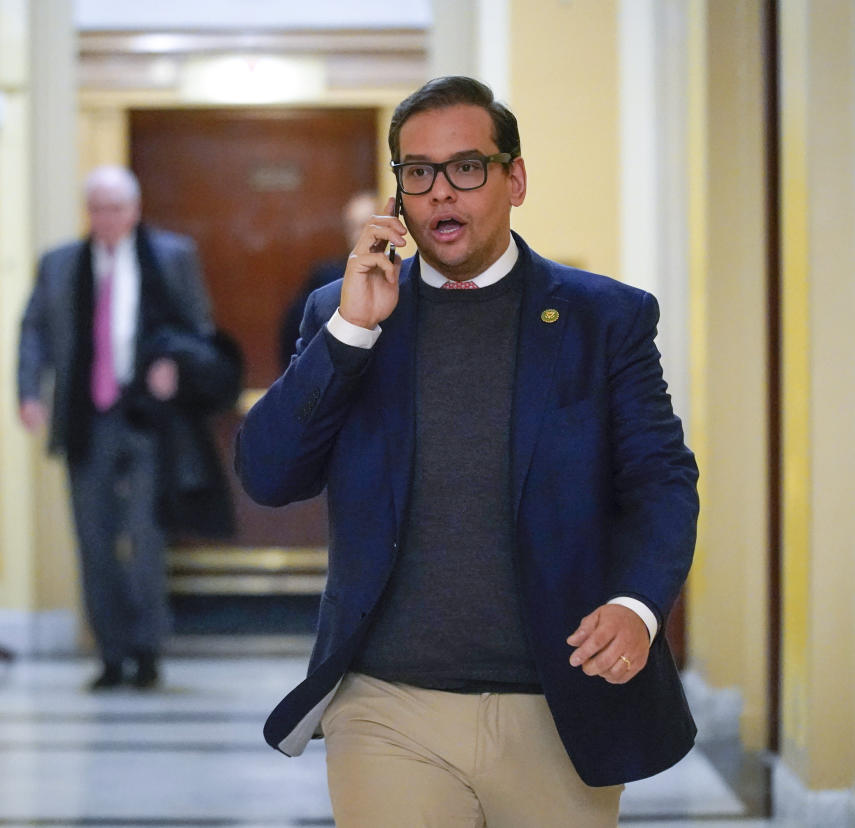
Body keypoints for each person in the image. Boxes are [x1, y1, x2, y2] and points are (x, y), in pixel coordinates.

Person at [235, 76, 699, 824]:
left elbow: (661, 482)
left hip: (558, 705)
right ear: (398, 197)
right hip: (387, 703)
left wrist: (638, 604)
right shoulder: (344, 311)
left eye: (466, 168)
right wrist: (351, 334)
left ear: (514, 179)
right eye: (418, 173)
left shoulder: (602, 318)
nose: (441, 193)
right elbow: (269, 473)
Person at [18, 165, 235, 692]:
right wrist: (28, 392)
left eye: (115, 208)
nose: (106, 219)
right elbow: (34, 331)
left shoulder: (171, 256)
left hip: (147, 421)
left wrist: (176, 367)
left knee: (144, 537)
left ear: (134, 211)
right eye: (96, 208)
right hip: (86, 419)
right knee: (93, 540)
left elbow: (199, 330)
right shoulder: (59, 264)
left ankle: (148, 650)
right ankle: (110, 653)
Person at [277, 191, 378, 372]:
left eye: (366, 226)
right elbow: (295, 340)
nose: (359, 235)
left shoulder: (405, 277)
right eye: (352, 227)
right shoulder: (325, 279)